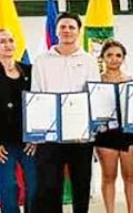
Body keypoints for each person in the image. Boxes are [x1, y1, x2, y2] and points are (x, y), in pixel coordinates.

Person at [31, 12, 101, 213]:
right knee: (50, 185)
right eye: (63, 27)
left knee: (81, 183)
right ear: (56, 31)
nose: (67, 31)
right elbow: (36, 94)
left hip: (80, 134)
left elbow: (93, 94)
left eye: (72, 27)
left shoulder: (88, 60)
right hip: (50, 134)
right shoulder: (42, 61)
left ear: (78, 31)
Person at [0, 29, 37, 213]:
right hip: (2, 143)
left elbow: (39, 104)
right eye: (2, 41)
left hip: (29, 141)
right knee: (9, 188)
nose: (8, 44)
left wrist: (36, 137)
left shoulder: (29, 70)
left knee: (34, 186)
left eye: (11, 40)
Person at [94, 40, 133, 213]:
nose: (114, 59)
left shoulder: (132, 82)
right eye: (110, 55)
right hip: (106, 134)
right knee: (108, 176)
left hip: (129, 134)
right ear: (102, 58)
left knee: (130, 176)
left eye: (118, 55)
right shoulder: (95, 83)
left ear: (124, 58)